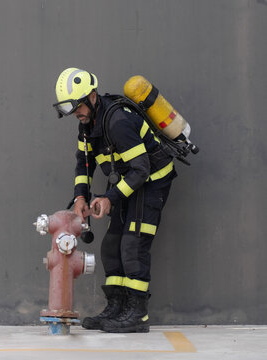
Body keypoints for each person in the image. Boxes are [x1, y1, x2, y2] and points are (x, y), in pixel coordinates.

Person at [52, 68, 177, 333]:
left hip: (151, 181)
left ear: (93, 96)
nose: (77, 114)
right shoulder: (87, 126)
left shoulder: (117, 122)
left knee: (134, 242)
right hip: (127, 180)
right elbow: (83, 166)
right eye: (72, 110)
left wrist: (109, 198)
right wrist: (80, 197)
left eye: (78, 107)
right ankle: (117, 308)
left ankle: (137, 314)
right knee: (112, 244)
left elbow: (142, 169)